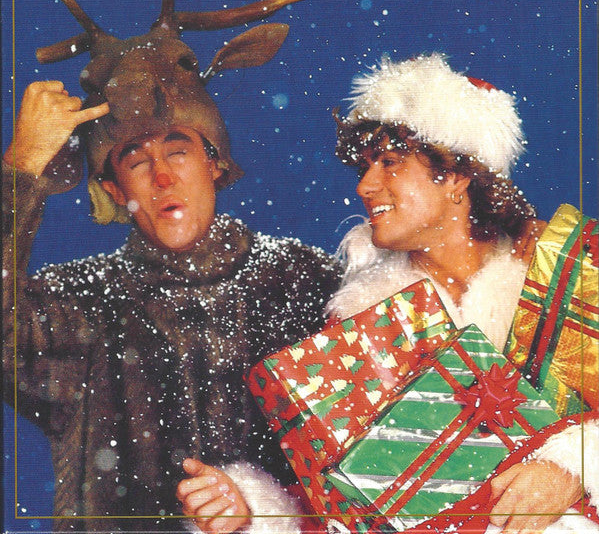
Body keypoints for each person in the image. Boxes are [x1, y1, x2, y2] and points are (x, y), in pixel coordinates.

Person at [2, 80, 341, 533]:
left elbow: (378, 464)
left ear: (215, 163)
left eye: (178, 152)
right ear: (115, 190)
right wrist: (21, 169)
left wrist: (262, 510)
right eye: (137, 161)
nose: (162, 177)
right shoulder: (77, 304)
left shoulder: (310, 283)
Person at [325, 53, 599, 533]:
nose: (366, 186)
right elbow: (340, 504)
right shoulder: (357, 322)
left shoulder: (575, 271)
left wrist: (574, 467)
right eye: (365, 167)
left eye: (389, 163)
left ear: (456, 175)